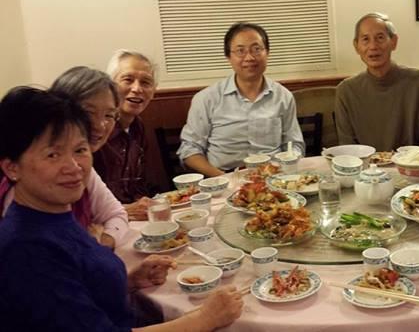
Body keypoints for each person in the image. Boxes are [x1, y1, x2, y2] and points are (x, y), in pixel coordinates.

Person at [0, 87, 244, 331]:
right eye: (53, 154)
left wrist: (129, 281)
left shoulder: (52, 215)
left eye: (80, 150)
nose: (74, 167)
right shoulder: (27, 248)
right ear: (12, 168)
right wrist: (205, 319)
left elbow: (74, 292)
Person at [0, 67, 129, 249]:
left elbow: (116, 214)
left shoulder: (81, 165)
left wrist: (102, 243)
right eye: (53, 155)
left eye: (109, 115)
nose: (100, 125)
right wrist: (92, 247)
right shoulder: (21, 205)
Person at [178, 22, 304, 177]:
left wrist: (285, 169)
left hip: (273, 176)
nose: (249, 57)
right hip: (223, 177)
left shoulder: (283, 96)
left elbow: (294, 144)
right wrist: (224, 178)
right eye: (240, 51)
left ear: (267, 53)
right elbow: (189, 149)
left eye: (256, 49)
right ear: (228, 57)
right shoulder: (206, 99)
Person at [335, 12, 419, 151]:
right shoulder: (346, 91)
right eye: (365, 39)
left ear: (394, 42)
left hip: (415, 164)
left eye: (380, 38)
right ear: (356, 46)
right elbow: (348, 149)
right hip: (364, 165)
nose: (373, 46)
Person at [94, 50, 157, 220]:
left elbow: (138, 185)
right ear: (110, 86)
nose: (137, 89)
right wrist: (124, 210)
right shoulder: (95, 131)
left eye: (146, 82)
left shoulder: (138, 127)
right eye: (128, 80)